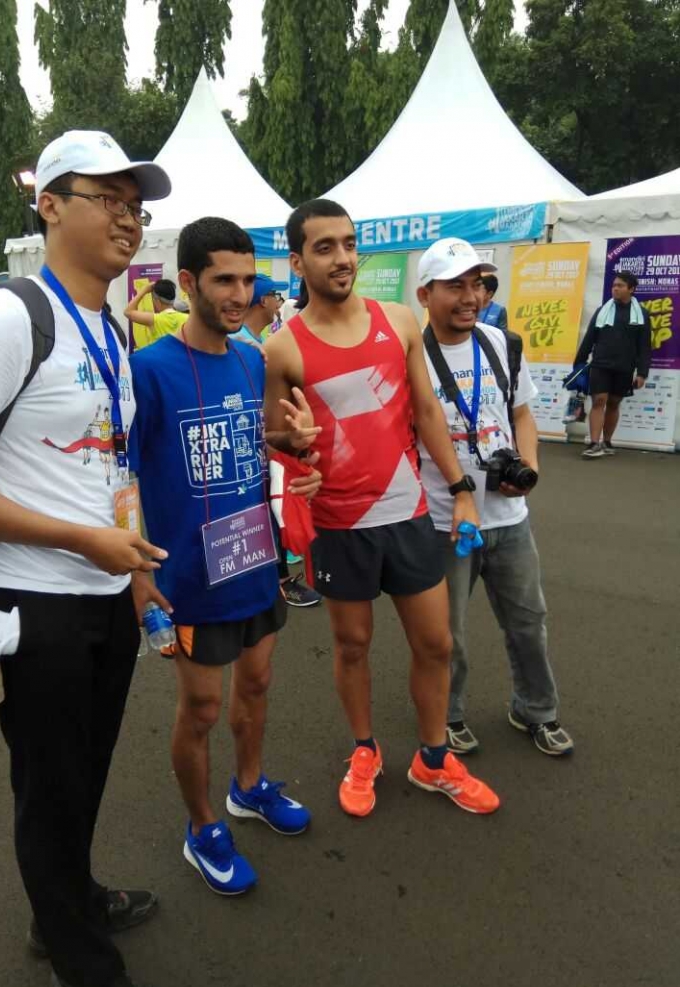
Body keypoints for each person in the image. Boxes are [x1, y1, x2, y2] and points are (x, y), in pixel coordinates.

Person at [0, 129, 172, 987]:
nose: (128, 218)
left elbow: (107, 462)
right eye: (107, 197)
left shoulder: (110, 323)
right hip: (32, 603)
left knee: (88, 771)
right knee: (51, 787)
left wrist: (134, 568)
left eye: (136, 205)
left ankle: (68, 904)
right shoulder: (5, 316)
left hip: (106, 590)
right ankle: (82, 965)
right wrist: (78, 542)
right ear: (50, 204)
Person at [264, 199, 500, 819]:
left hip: (409, 512)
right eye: (325, 247)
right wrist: (297, 452)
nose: (342, 258)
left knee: (436, 643)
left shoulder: (397, 321)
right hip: (342, 526)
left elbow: (425, 411)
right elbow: (275, 437)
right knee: (352, 645)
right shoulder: (282, 349)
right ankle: (364, 749)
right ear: (297, 261)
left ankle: (432, 757)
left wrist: (463, 490)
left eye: (348, 244)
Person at [129, 216, 321, 897]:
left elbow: (263, 440)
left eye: (248, 279)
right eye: (224, 281)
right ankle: (203, 826)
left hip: (256, 563)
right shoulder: (146, 372)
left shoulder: (253, 358)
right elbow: (116, 478)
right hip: (190, 577)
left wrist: (297, 449)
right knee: (202, 710)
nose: (241, 294)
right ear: (188, 283)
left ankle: (248, 787)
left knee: (260, 685)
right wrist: (137, 570)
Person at [416, 237, 574, 758]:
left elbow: (522, 414)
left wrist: (528, 467)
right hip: (444, 520)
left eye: (477, 284)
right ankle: (449, 714)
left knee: (529, 621)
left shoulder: (501, 343)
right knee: (448, 636)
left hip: (509, 516)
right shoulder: (410, 355)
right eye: (454, 285)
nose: (470, 296)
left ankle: (536, 710)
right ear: (425, 293)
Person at [232, 275, 322, 608]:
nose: (278, 301)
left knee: (278, 510)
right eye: (273, 294)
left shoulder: (259, 341)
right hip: (252, 451)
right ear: (261, 300)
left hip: (269, 444)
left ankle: (278, 575)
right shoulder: (242, 345)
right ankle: (279, 580)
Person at [575, 271, 651, 458]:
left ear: (631, 289)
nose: (615, 289)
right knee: (599, 400)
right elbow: (589, 338)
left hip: (625, 367)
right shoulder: (603, 310)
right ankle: (594, 443)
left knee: (614, 403)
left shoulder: (642, 314)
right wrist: (579, 364)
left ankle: (607, 442)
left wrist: (642, 372)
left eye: (620, 286)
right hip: (600, 365)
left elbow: (644, 346)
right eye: (614, 285)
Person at [124, 277, 187, 349]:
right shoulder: (187, 318)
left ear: (157, 300)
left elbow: (128, 312)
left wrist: (144, 290)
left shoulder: (154, 319)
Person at [231, 273, 288, 346]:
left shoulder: (258, 339)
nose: (277, 304)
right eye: (274, 295)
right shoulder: (238, 341)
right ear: (264, 301)